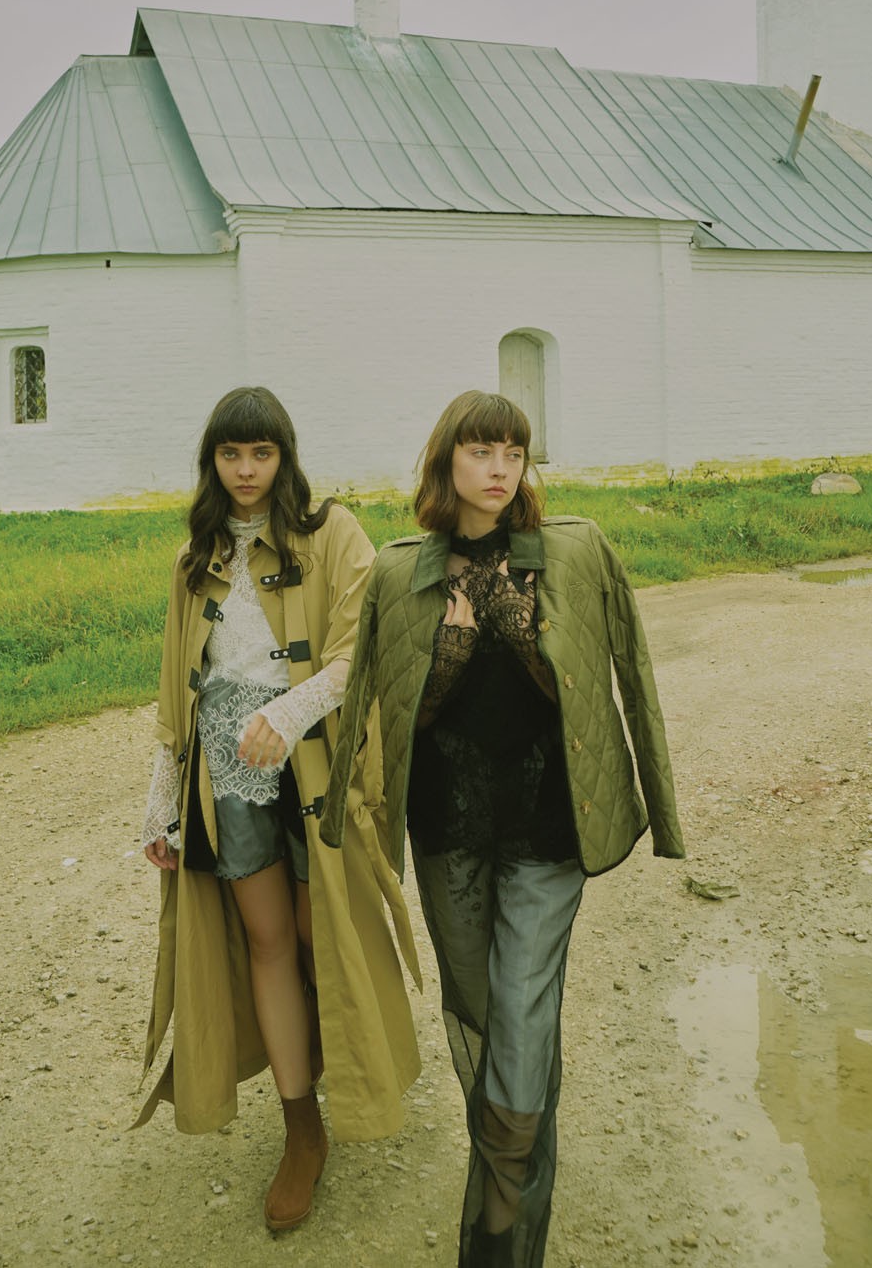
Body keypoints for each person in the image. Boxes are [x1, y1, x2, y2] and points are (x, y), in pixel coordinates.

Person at [321, 390, 685, 1267]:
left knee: (521, 1005)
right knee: (481, 1014)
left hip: (548, 817)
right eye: (481, 451)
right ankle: (513, 1182)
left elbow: (622, 680)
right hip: (449, 823)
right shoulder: (403, 573)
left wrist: (527, 643)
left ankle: (500, 1215)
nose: (498, 470)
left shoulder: (575, 552)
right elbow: (384, 706)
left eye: (513, 454)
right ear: (446, 460)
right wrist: (446, 661)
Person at [136, 386, 420, 1232]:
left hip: (314, 762)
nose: (246, 470)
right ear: (212, 462)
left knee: (315, 928)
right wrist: (161, 801)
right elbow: (175, 687)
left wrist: (289, 714)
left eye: (261, 453)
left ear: (284, 457)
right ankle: (302, 1128)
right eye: (231, 454)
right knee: (264, 940)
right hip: (224, 770)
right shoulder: (195, 558)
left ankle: (345, 1053)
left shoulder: (332, 533)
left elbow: (358, 648)